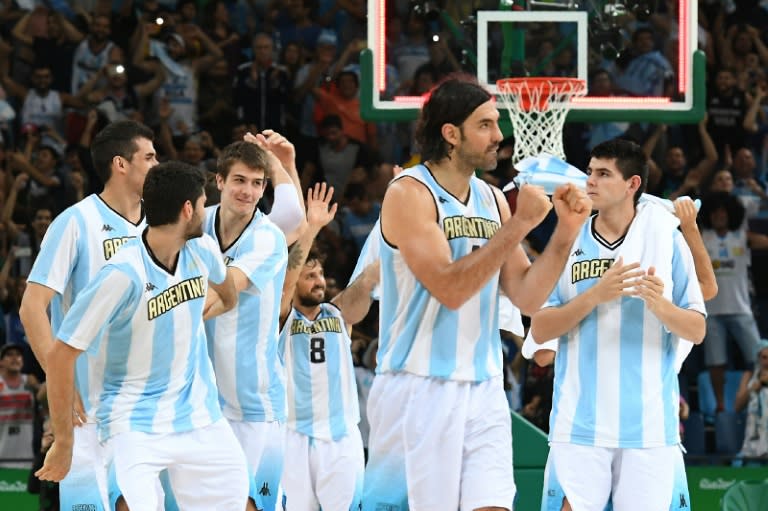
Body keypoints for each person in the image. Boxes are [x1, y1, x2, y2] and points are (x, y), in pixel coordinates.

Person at [361, 75, 592, 511]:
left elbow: (524, 297)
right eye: (485, 125)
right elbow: (449, 288)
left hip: (483, 386)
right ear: (451, 134)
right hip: (418, 386)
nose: (500, 136)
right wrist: (519, 226)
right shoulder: (409, 194)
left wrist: (565, 233)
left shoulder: (491, 198)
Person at [35, 161, 248, 511]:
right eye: (202, 203)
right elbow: (60, 354)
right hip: (132, 423)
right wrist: (63, 441)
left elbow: (228, 297)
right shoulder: (122, 273)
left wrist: (189, 314)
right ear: (187, 209)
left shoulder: (204, 250)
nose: (207, 212)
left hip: (200, 415)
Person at [530, 139, 706, 511]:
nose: (589, 181)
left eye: (603, 174)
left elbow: (697, 328)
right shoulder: (567, 239)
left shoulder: (666, 238)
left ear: (632, 184)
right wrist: (594, 295)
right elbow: (541, 329)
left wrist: (660, 306)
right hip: (578, 427)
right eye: (590, 172)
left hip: (649, 429)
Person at [19, 120, 158, 511]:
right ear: (121, 164)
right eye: (149, 156)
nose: (157, 164)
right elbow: (32, 308)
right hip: (87, 409)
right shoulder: (74, 222)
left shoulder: (160, 225)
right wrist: (59, 379)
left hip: (145, 407)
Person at [202, 132, 304, 511]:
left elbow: (224, 294)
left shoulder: (267, 238)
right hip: (204, 401)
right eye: (239, 181)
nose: (247, 191)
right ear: (219, 182)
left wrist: (279, 161)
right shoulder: (195, 226)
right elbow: (294, 213)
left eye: (257, 183)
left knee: (252, 506)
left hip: (255, 402)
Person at [277, 183, 377, 511]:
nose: (318, 280)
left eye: (319, 274)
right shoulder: (280, 317)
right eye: (309, 276)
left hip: (341, 437)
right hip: (294, 435)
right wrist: (313, 226)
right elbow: (287, 278)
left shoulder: (339, 312)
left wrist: (394, 215)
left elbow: (369, 277)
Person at [734, 339, 768, 458]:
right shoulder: (749, 376)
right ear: (758, 358)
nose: (767, 361)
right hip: (753, 430)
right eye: (764, 357)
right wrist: (754, 388)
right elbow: (737, 406)